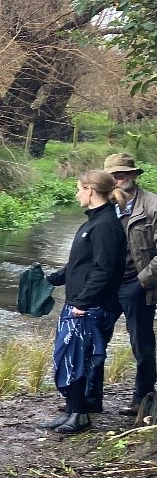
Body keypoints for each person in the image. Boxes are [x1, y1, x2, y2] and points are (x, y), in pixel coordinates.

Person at [43, 170, 126, 434]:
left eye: (79, 188)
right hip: (83, 303)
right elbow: (80, 264)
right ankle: (72, 410)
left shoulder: (105, 226)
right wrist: (53, 278)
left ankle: (80, 415)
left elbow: (104, 268)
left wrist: (82, 301)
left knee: (78, 358)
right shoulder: (93, 222)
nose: (77, 193)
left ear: (90, 190)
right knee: (70, 358)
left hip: (91, 307)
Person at [104, 152, 157, 416]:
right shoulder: (102, 205)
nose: (118, 178)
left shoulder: (152, 205)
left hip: (139, 284)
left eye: (123, 173)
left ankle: (143, 399)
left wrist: (143, 280)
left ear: (134, 175)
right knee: (94, 340)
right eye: (113, 174)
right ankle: (88, 399)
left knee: (142, 343)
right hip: (107, 285)